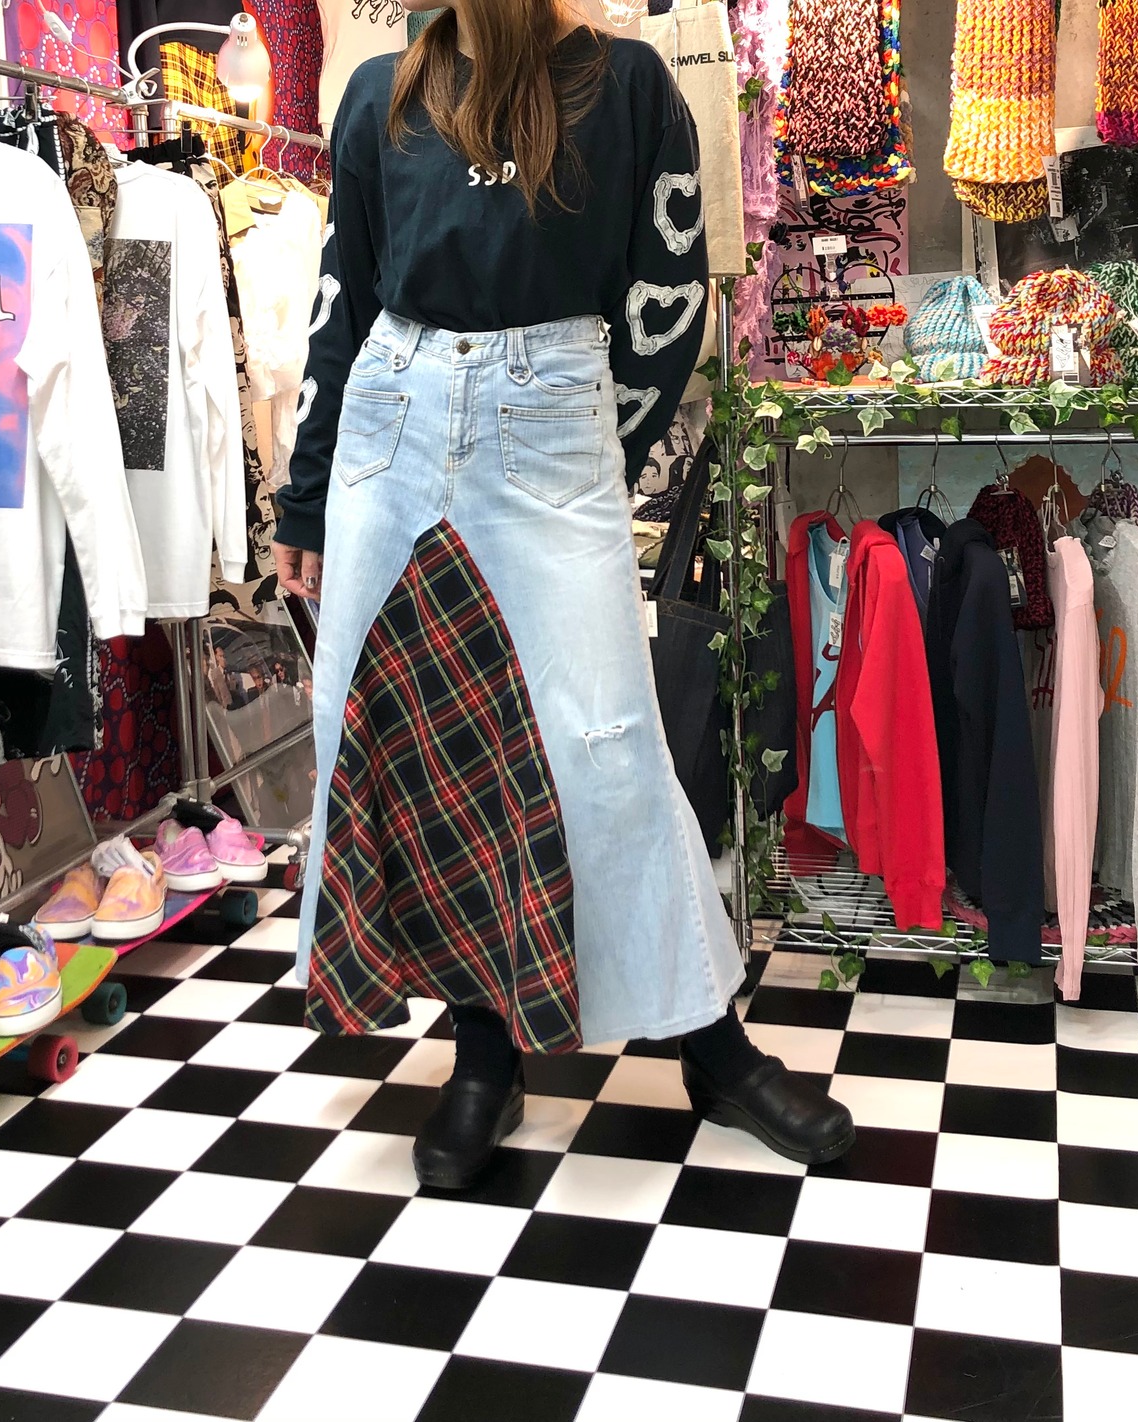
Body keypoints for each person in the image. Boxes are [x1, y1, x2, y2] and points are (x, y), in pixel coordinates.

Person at [274, 0, 855, 1190]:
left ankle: (712, 1050)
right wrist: (305, 498)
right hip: (393, 417)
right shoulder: (381, 94)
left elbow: (667, 301)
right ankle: (482, 1053)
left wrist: (596, 453)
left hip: (550, 422)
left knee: (606, 746)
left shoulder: (627, 85)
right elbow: (342, 303)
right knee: (417, 738)